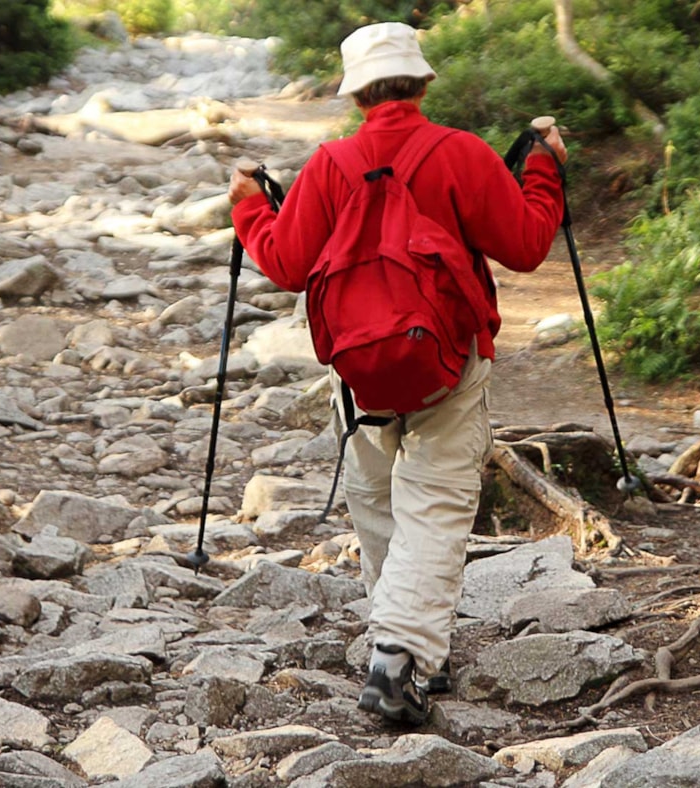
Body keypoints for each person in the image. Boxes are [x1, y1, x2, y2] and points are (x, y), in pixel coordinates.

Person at [227, 21, 567, 725]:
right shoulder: (463, 156)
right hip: (449, 356)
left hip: (358, 369)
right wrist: (544, 169)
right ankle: (400, 658)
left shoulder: (328, 166)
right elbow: (529, 245)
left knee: (378, 498)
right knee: (436, 504)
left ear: (356, 97)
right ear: (422, 83)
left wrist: (250, 208)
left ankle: (407, 651)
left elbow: (287, 265)